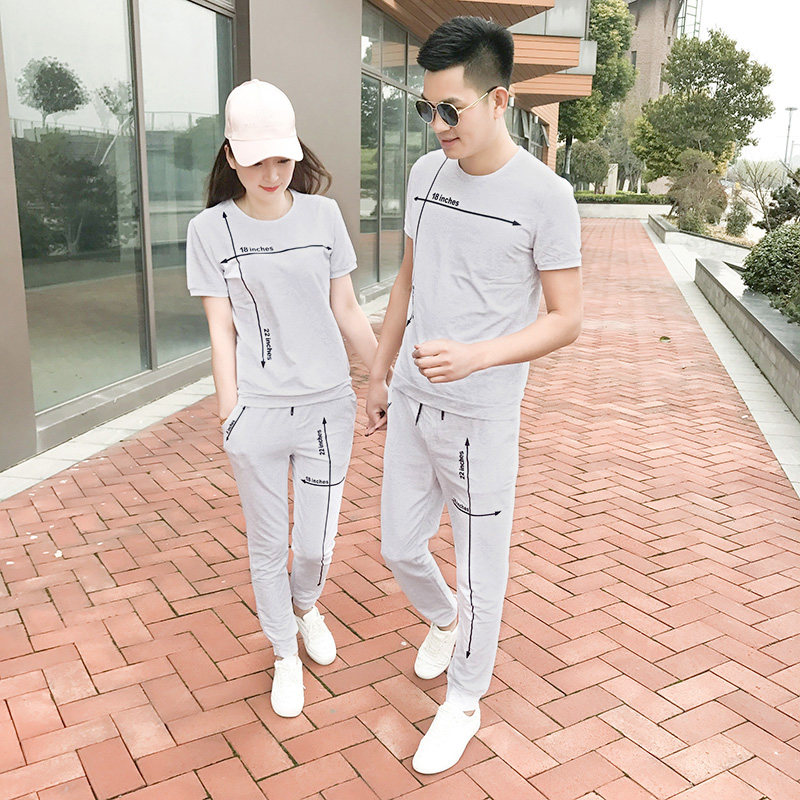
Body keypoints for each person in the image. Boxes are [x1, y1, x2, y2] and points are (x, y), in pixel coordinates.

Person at [365, 17, 583, 774]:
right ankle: (444, 619)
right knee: (398, 545)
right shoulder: (426, 175)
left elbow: (566, 319)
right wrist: (379, 372)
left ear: (499, 99)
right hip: (411, 400)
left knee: (482, 568)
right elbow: (406, 281)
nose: (437, 125)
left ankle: (464, 700)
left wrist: (478, 356)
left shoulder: (547, 197)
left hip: (482, 418)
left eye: (450, 109)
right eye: (428, 108)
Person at [186, 79, 378, 718]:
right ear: (231, 156)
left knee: (315, 546)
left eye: (283, 158)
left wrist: (380, 376)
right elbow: (221, 330)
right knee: (267, 547)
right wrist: (229, 412)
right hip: (258, 414)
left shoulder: (323, 217)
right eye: (257, 161)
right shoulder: (210, 230)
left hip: (327, 407)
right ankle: (283, 654)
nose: (272, 174)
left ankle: (305, 606)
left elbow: (346, 307)